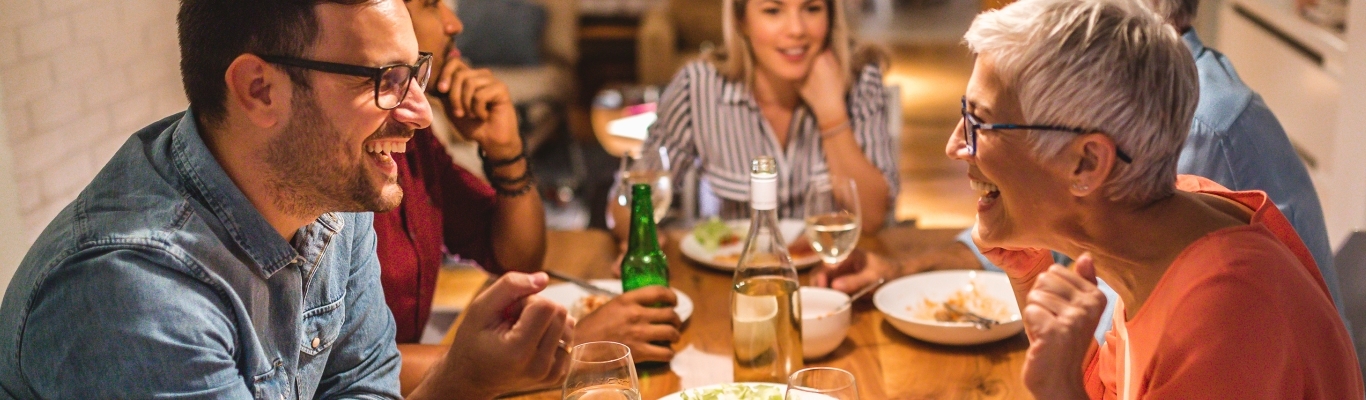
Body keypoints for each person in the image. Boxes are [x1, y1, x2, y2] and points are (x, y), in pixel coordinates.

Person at [0, 0, 571, 398]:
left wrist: (468, 378)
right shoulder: (134, 296)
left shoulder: (330, 201)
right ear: (259, 89)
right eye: (385, 80)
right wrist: (465, 378)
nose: (421, 114)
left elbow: (362, 390)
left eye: (416, 74)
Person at [814, 0, 1345, 322]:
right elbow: (1067, 233)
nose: (956, 146)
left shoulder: (1195, 130)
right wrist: (909, 272)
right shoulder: (1122, 131)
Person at [948, 0, 1363, 397]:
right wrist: (1031, 277)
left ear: (1087, 163)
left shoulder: (1226, 311)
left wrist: (1059, 390)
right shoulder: (1158, 235)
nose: (955, 145)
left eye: (978, 123)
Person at [384, 0, 683, 366]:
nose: (454, 23)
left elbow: (517, 258)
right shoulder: (339, 160)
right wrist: (573, 344)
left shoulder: (416, 143)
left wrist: (506, 150)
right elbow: (356, 374)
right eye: (432, 5)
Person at [617, 0, 899, 235]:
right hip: (730, 280)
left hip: (830, 277)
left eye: (812, 8)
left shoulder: (860, 77)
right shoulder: (697, 86)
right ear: (741, 20)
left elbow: (872, 218)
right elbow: (626, 205)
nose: (797, 29)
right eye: (773, 11)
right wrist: (642, 240)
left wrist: (831, 114)